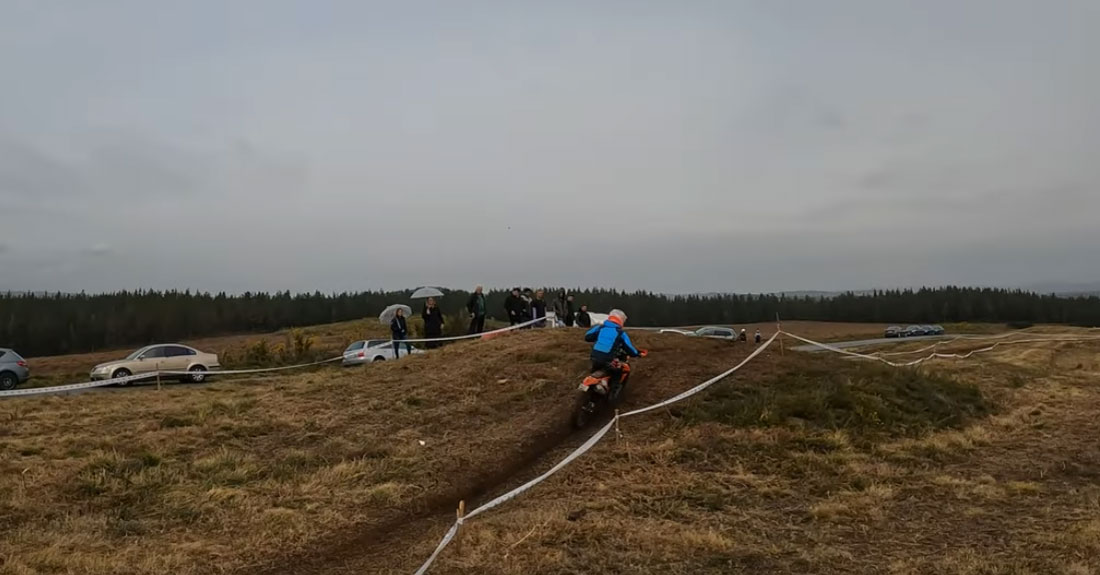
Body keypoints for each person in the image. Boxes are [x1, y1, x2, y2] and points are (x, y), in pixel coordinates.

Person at [584, 309, 645, 395]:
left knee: (596, 368)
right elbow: (630, 349)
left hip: (594, 358)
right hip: (608, 360)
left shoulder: (600, 328)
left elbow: (587, 337)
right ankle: (613, 395)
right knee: (619, 371)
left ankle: (598, 386)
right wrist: (637, 353)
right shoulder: (620, 333)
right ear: (621, 320)